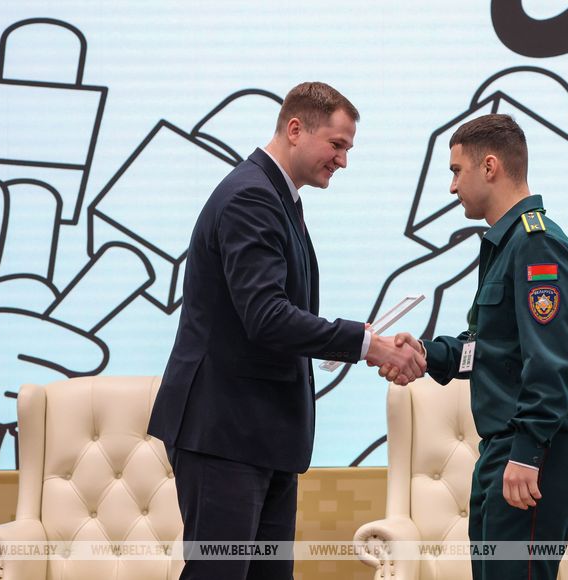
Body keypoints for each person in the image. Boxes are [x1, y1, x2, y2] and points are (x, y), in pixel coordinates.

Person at [147, 81, 425, 580]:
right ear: (295, 129)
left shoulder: (277, 196)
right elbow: (267, 316)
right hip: (225, 433)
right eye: (336, 144)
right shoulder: (251, 196)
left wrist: (357, 339)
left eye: (348, 149)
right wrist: (367, 345)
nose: (343, 161)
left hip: (261, 434)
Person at [381, 114, 568, 580]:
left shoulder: (538, 245)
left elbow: (552, 360)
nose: (452, 186)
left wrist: (527, 451)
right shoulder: (507, 244)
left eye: (457, 171)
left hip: (533, 452)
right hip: (504, 449)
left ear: (490, 166)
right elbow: (490, 349)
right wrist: (425, 353)